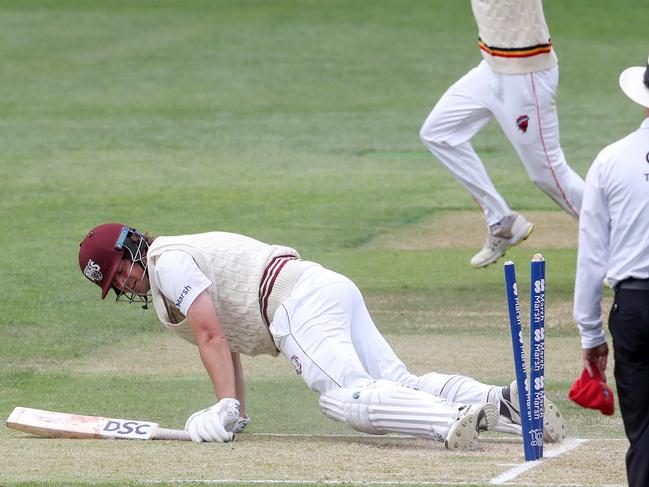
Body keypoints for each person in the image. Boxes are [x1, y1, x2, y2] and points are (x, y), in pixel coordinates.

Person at [78, 223, 565, 449]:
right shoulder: (166, 295)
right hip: (320, 288)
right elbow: (224, 344)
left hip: (292, 300)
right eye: (114, 282)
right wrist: (238, 412)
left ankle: (452, 418)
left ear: (135, 246)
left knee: (343, 398)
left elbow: (211, 337)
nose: (124, 280)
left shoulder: (169, 260)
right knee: (396, 381)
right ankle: (507, 403)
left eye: (122, 267)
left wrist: (222, 407)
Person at [419, 0, 584, 268]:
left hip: (527, 73)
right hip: (491, 68)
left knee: (548, 174)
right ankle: (501, 221)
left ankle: (622, 239)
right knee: (439, 133)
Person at [573, 57, 649, 487]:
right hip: (634, 306)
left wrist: (590, 334)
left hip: (634, 308)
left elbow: (592, 253)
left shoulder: (611, 159)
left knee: (642, 431)